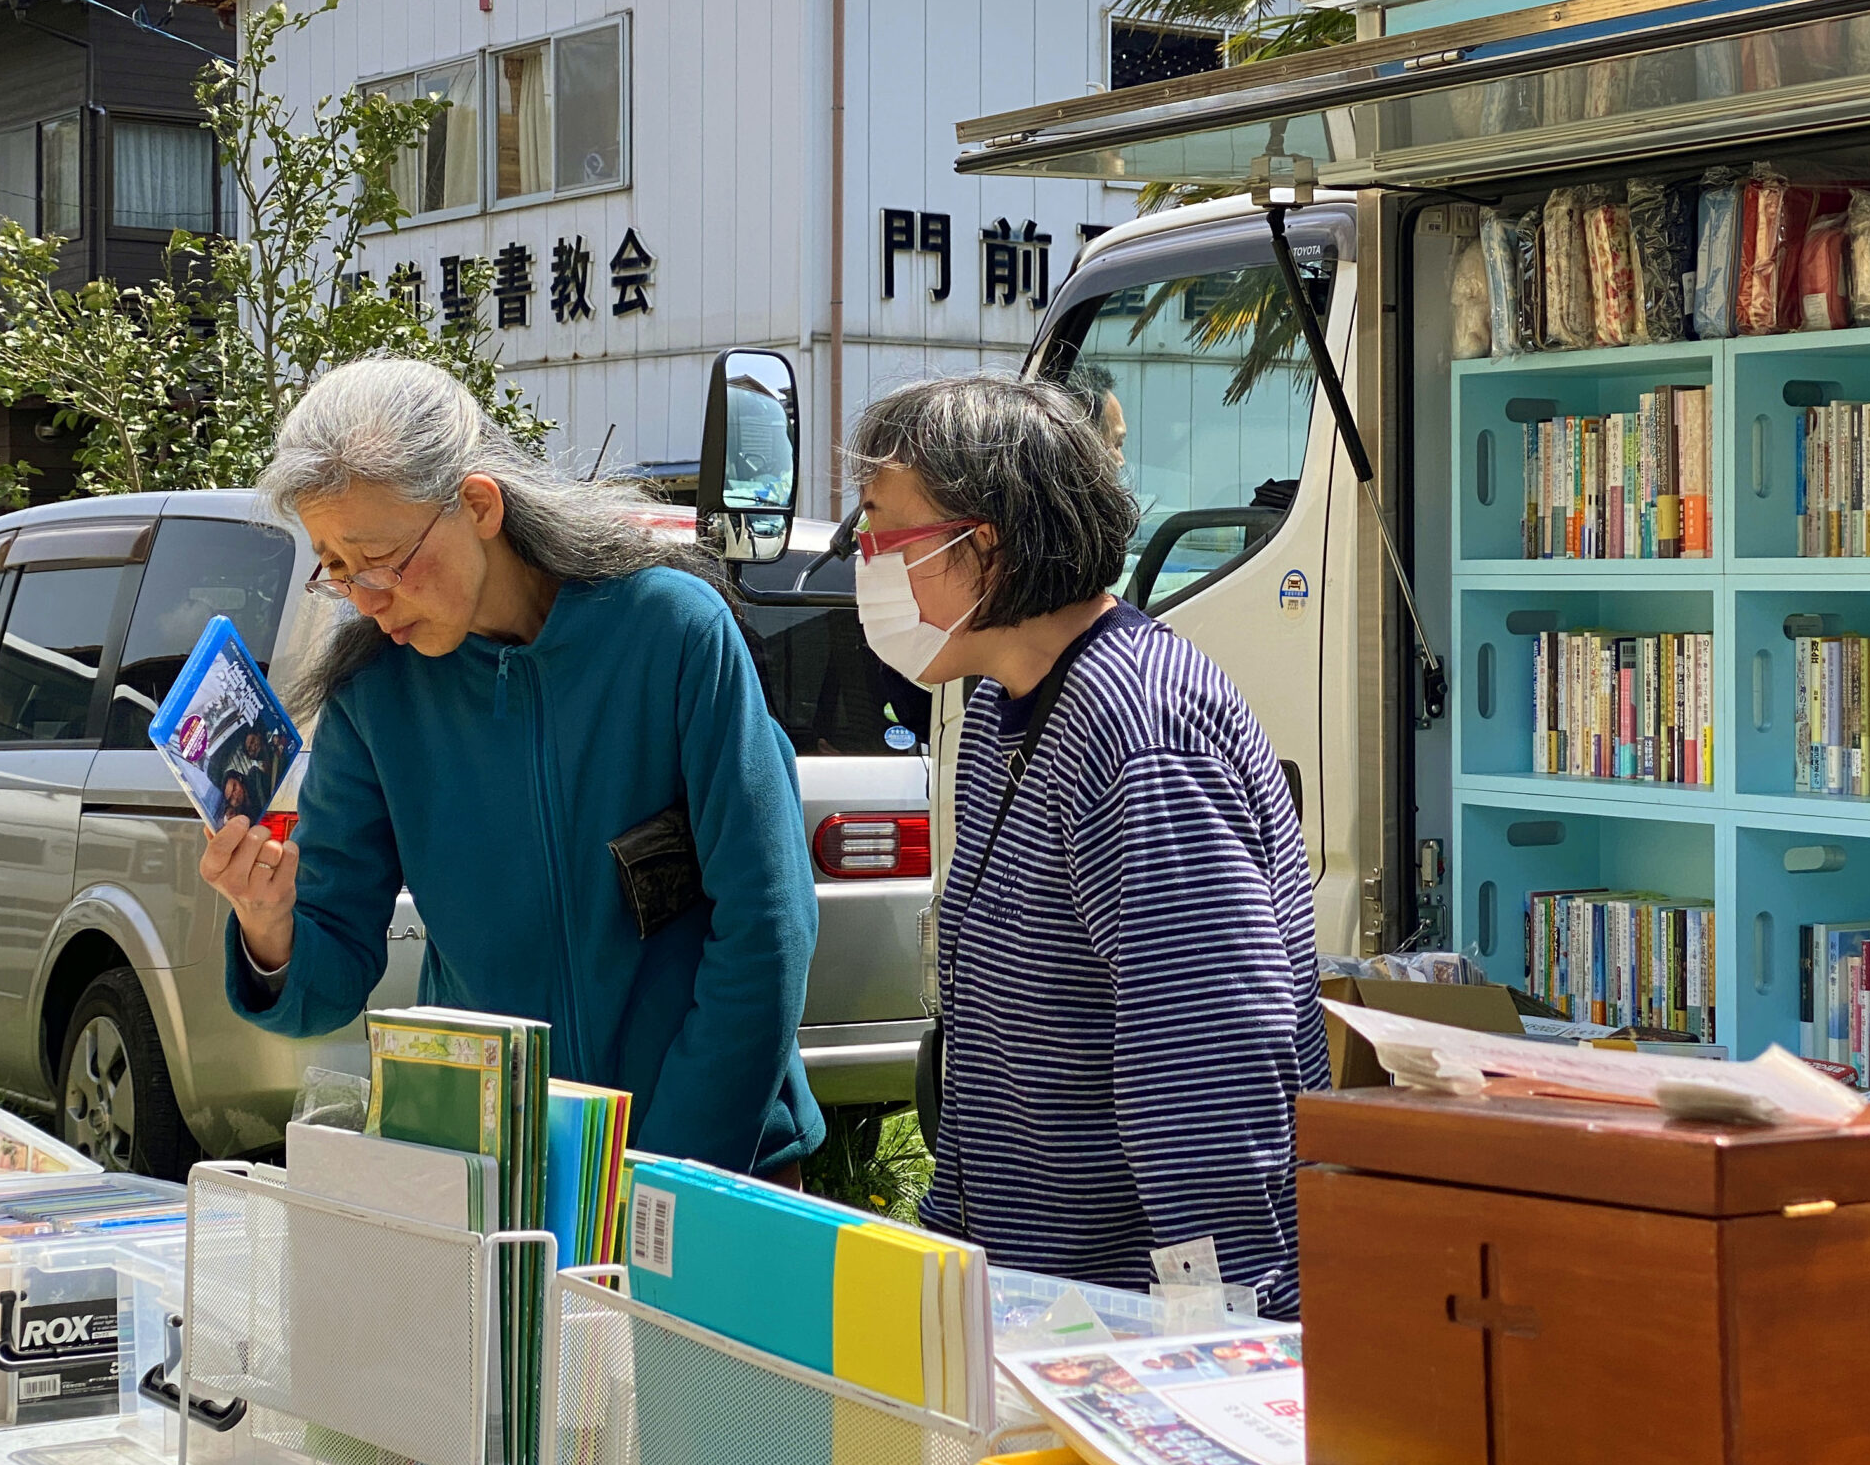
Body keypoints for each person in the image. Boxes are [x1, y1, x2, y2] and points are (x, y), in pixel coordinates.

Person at [205, 357, 822, 1180]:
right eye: (337, 566)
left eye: (380, 557)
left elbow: (766, 923)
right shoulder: (374, 695)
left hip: (712, 1161)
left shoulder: (670, 632)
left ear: (479, 505)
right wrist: (268, 925)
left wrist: (662, 1176)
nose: (365, 596)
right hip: (495, 1172)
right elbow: (329, 978)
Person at [846, 371, 1327, 1313]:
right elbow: (992, 1050)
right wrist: (948, 1254)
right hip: (1038, 1300)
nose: (863, 563)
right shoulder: (996, 711)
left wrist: (1210, 1331)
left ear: (982, 543)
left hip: (1146, 1323)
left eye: (879, 531)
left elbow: (1210, 1063)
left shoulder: (1138, 730)